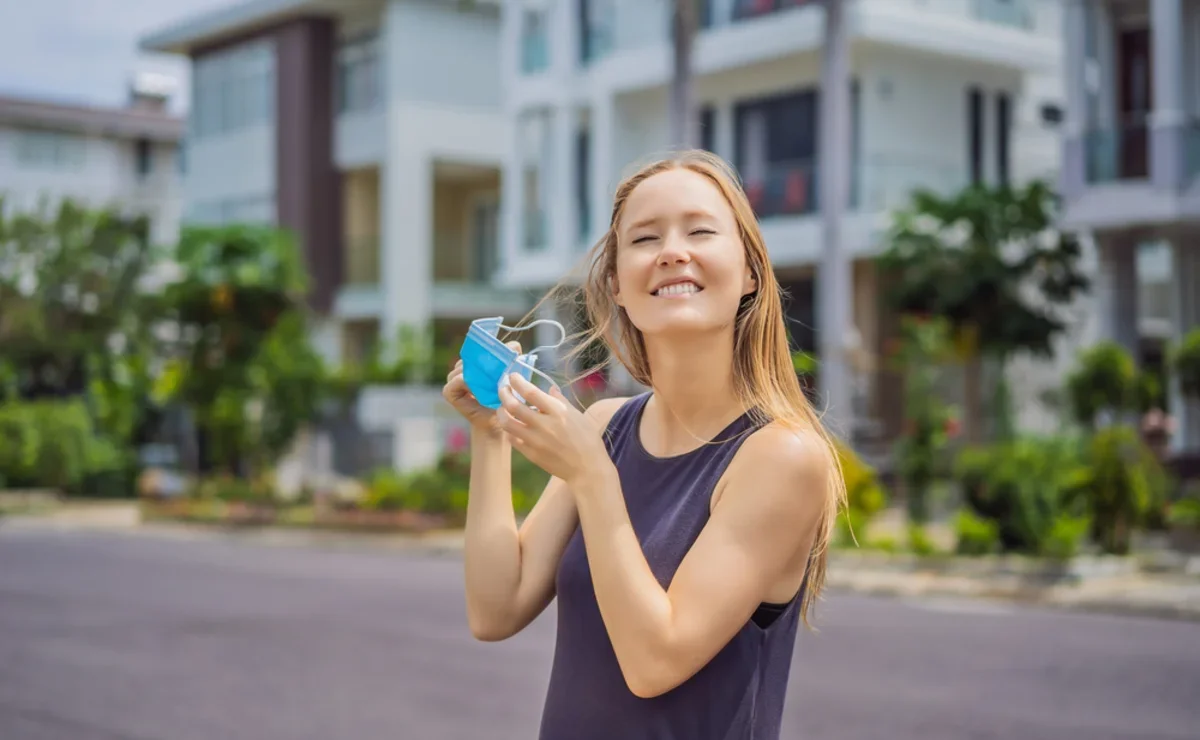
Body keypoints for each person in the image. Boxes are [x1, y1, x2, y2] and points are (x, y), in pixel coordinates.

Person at [442, 150, 847, 739]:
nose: (672, 251)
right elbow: (495, 608)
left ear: (751, 273)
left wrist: (593, 479)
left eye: (701, 230)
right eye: (645, 238)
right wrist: (490, 434)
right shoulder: (606, 426)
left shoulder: (781, 456)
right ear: (617, 287)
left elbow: (655, 663)